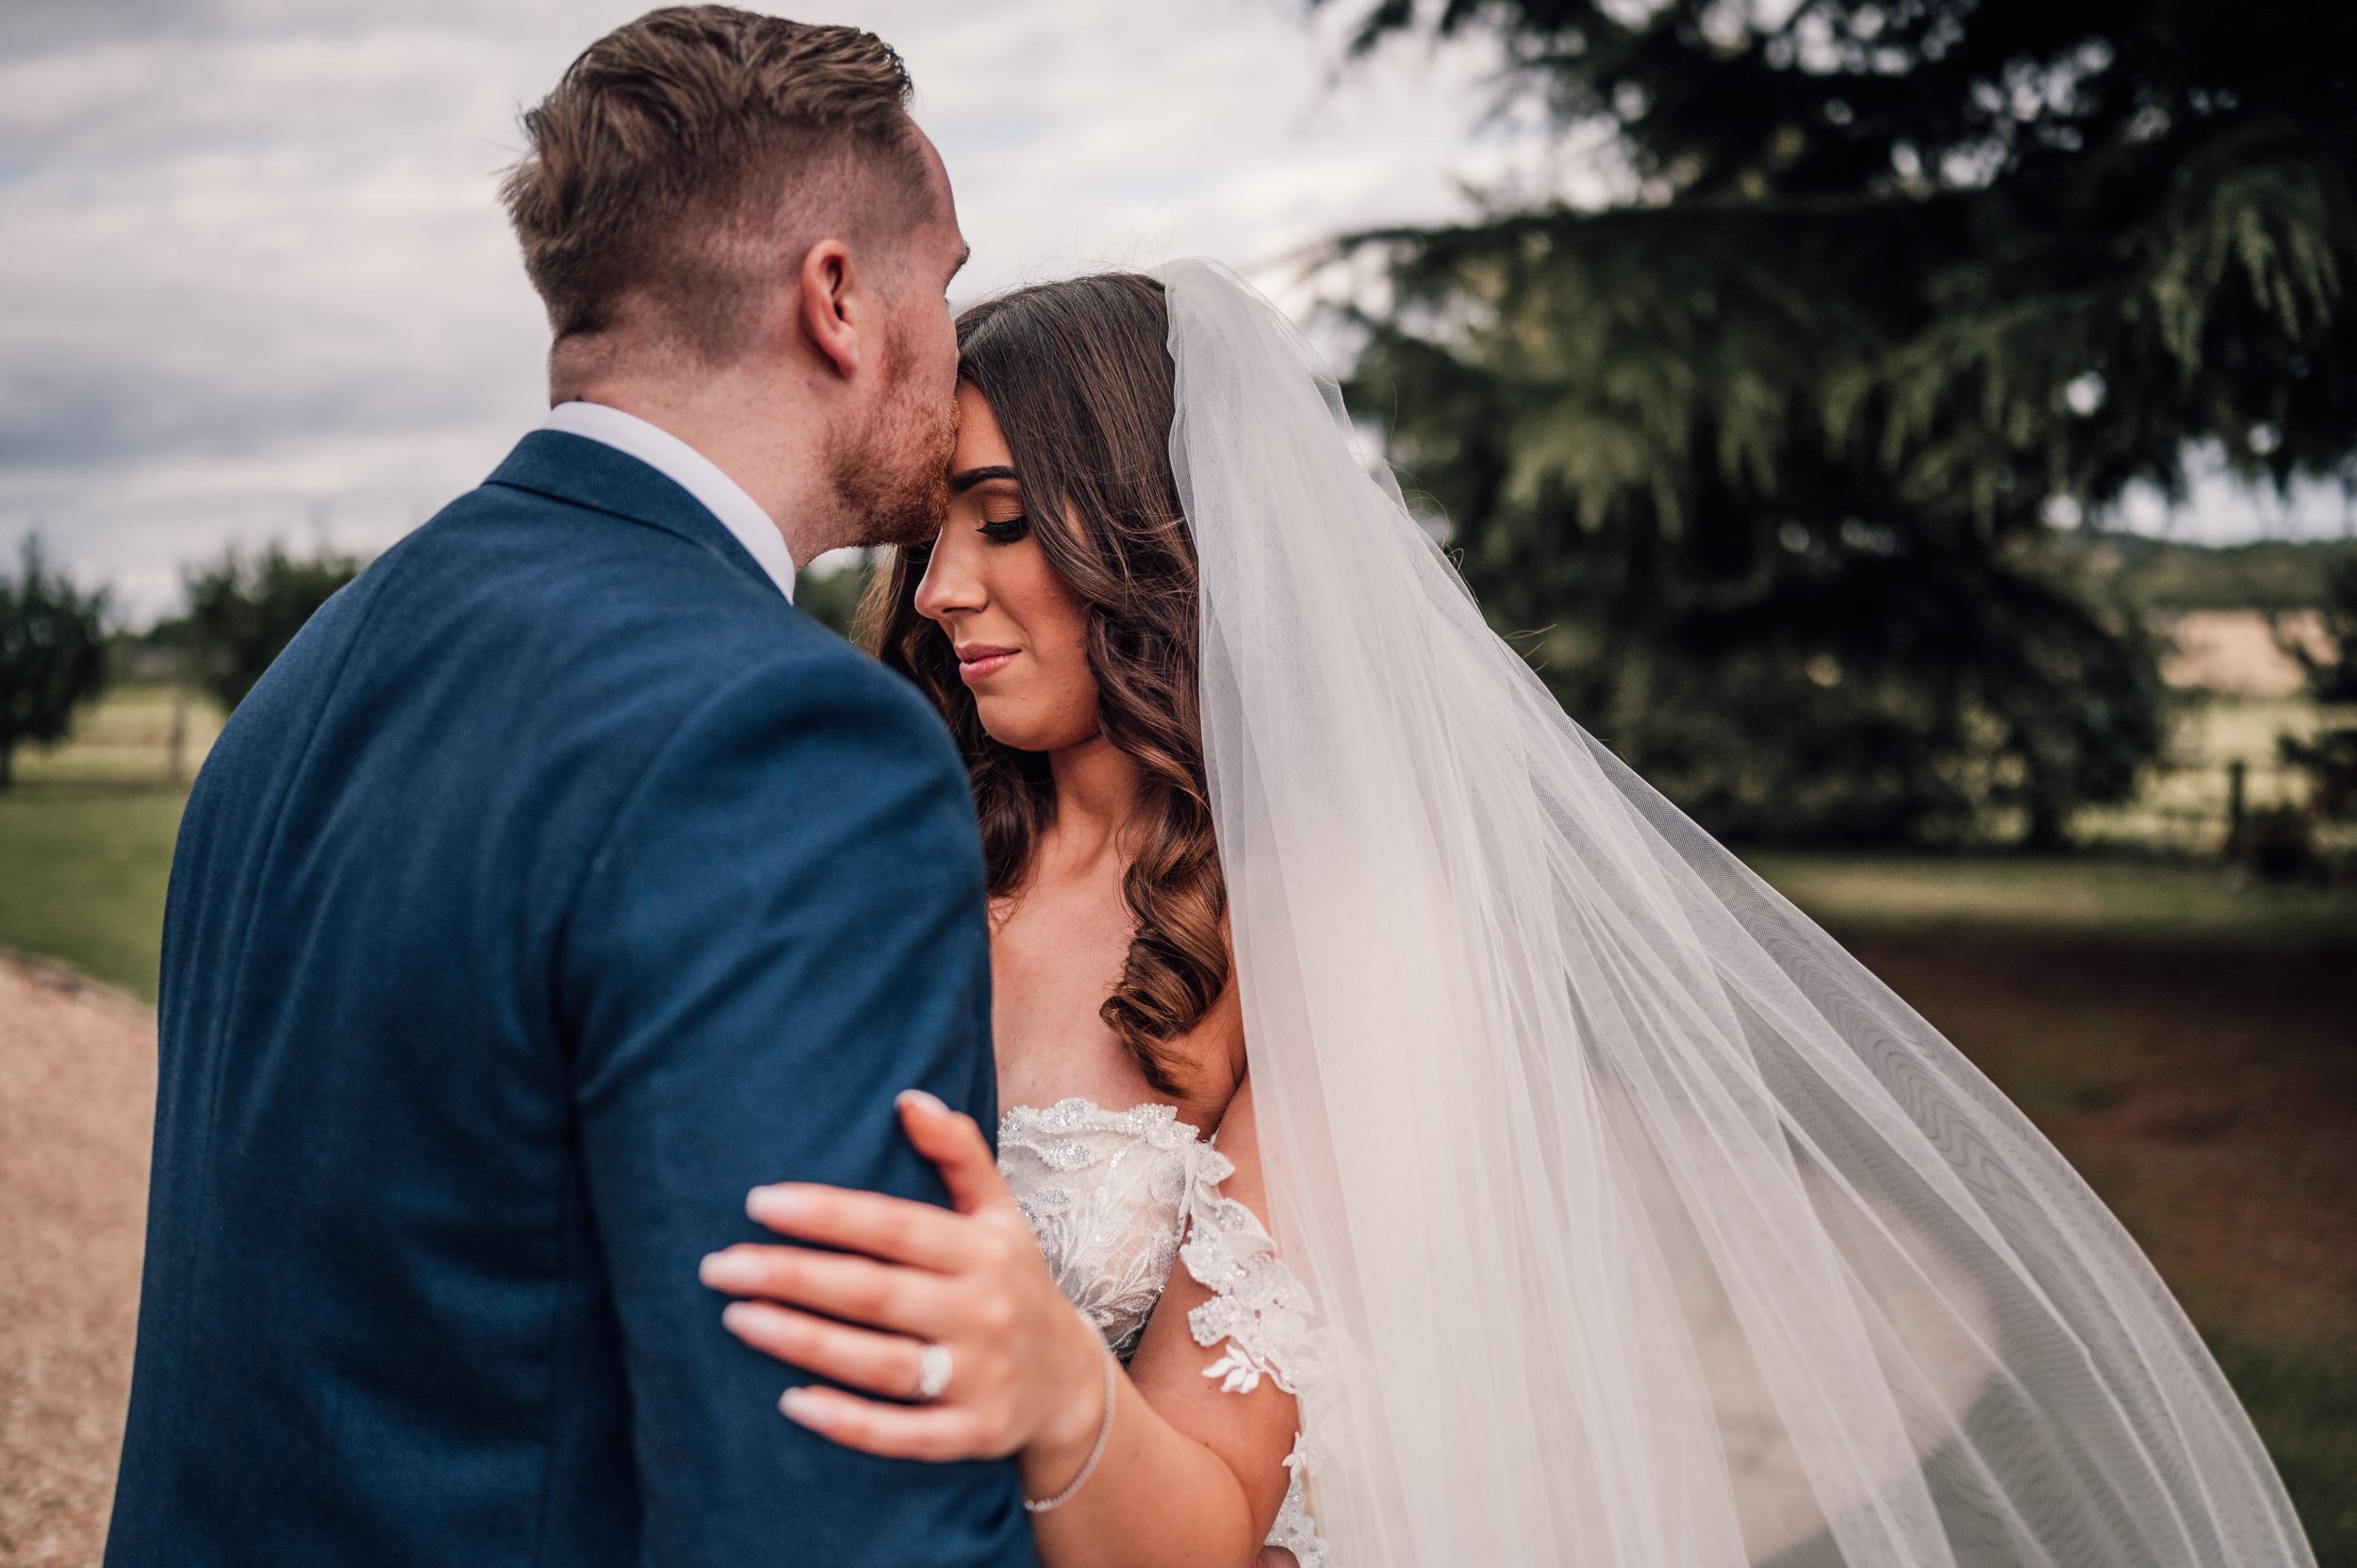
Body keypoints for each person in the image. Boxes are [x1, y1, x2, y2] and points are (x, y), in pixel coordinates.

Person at [701, 263, 2319, 1568]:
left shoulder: (1324, 942)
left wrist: (1049, 1377)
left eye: (999, 522)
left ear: (1145, 536)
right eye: (927, 539)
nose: (934, 595)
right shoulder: (906, 850)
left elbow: (1198, 1525)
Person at [103, 10, 1038, 1568]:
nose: (951, 345)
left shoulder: (310, 677)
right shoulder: (791, 742)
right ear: (837, 300)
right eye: (941, 283)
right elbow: (828, 1508)